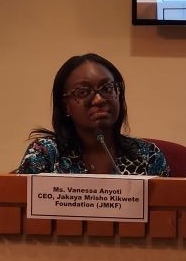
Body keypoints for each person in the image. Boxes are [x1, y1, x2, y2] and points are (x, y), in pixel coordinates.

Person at [15, 54, 170, 176]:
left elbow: (166, 214)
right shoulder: (46, 154)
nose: (99, 99)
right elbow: (20, 212)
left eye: (107, 88)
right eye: (83, 92)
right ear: (65, 106)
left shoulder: (148, 156)